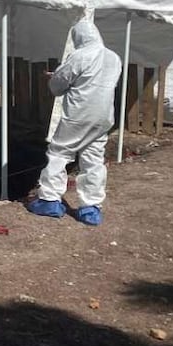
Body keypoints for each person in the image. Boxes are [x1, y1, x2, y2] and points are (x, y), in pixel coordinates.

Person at [27, 18, 122, 225]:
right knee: (93, 160)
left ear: (78, 37)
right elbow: (96, 81)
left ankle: (50, 200)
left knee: (59, 153)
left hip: (79, 116)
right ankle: (91, 208)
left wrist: (53, 77)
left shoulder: (79, 56)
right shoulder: (114, 58)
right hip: (103, 117)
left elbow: (57, 87)